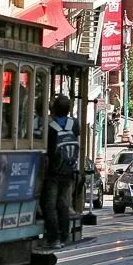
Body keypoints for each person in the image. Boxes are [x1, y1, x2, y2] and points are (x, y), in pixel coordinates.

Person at [40, 95, 81, 249]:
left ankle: (53, 237)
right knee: (64, 204)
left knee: (50, 205)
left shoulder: (51, 127)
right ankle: (65, 235)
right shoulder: (74, 123)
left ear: (55, 109)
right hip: (69, 170)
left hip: (54, 172)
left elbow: (49, 150)